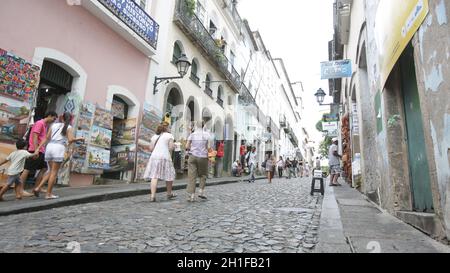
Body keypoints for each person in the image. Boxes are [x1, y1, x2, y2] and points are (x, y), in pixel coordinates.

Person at [33, 112, 84, 199]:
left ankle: (38, 187)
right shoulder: (68, 127)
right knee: (54, 173)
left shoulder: (53, 125)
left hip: (49, 147)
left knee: (49, 170)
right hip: (58, 148)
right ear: (70, 119)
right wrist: (80, 138)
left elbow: (46, 138)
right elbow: (71, 140)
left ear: (62, 118)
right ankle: (48, 194)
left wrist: (38, 148)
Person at [19, 111, 58, 197]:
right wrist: (36, 149)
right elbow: (35, 136)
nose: (54, 120)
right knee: (27, 169)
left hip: (41, 150)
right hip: (35, 150)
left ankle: (36, 188)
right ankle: (20, 190)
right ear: (49, 115)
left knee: (44, 168)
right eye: (53, 118)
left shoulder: (45, 125)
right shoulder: (40, 123)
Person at [143, 122, 177, 202]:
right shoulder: (169, 135)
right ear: (167, 128)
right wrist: (174, 146)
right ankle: (169, 193)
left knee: (154, 176)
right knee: (169, 175)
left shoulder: (154, 136)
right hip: (165, 157)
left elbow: (151, 148)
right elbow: (171, 148)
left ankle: (152, 196)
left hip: (154, 157)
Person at [186, 121, 211, 202]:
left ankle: (191, 196)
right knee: (203, 174)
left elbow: (187, 146)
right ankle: (200, 191)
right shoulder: (207, 135)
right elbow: (209, 147)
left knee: (192, 176)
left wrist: (191, 149)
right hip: (203, 157)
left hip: (192, 156)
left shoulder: (192, 134)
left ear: (196, 126)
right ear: (203, 126)